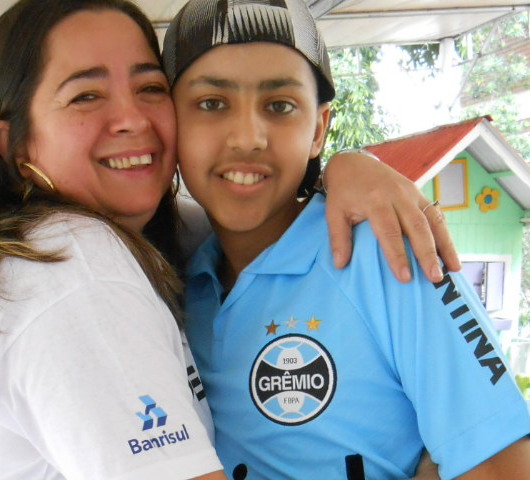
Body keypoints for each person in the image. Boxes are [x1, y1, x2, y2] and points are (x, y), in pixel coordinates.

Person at [0, 0, 459, 478]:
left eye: (149, 88)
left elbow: (254, 214)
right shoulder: (71, 267)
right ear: (14, 144)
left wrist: (348, 168)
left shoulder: (175, 240)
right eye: (85, 95)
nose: (131, 118)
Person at [163, 0, 530, 479]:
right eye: (212, 104)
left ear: (319, 129)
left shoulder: (387, 250)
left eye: (279, 106)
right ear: (169, 123)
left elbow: (502, 462)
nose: (247, 137)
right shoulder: (177, 279)